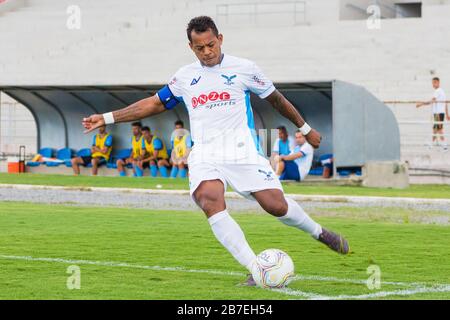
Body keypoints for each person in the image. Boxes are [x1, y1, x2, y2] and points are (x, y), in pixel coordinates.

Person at [82, 16, 349, 285]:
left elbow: (276, 99)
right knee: (209, 199)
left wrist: (305, 128)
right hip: (205, 153)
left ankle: (319, 232)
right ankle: (256, 269)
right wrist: (107, 118)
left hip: (242, 151)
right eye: (200, 48)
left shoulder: (244, 68)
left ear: (220, 39)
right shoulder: (185, 76)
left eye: (211, 45)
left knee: (275, 206)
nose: (208, 52)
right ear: (191, 47)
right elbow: (154, 104)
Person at [416, 77, 448, 151]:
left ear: (438, 82)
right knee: (435, 129)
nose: (433, 84)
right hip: (440, 113)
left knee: (439, 129)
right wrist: (447, 114)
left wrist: (421, 104)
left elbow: (431, 101)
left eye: (434, 82)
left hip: (438, 113)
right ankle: (432, 144)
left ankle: (445, 145)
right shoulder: (442, 91)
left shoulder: (437, 91)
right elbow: (445, 103)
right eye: (432, 83)